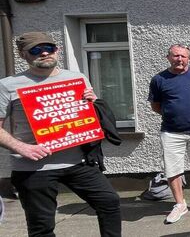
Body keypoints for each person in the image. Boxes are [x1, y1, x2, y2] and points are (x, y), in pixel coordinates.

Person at [0, 32, 121, 236]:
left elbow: (88, 116)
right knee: (42, 226)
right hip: (34, 166)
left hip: (78, 162)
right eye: (36, 50)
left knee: (109, 202)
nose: (45, 52)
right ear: (23, 54)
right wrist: (22, 147)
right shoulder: (8, 85)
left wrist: (94, 103)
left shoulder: (76, 78)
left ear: (58, 50)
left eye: (49, 47)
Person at [148, 44, 190, 224]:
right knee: (173, 169)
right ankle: (180, 204)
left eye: (183, 56)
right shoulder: (159, 79)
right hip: (171, 133)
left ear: (189, 58)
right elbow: (155, 106)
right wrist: (174, 114)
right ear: (168, 57)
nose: (180, 59)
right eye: (176, 56)